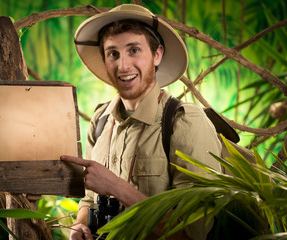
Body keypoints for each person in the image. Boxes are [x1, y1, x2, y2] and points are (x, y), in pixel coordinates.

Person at [61, 4, 222, 240]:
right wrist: (80, 224)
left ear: (157, 55)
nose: (123, 66)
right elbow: (89, 199)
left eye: (134, 50)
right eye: (113, 53)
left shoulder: (184, 122)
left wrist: (117, 188)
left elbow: (193, 232)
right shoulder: (101, 120)